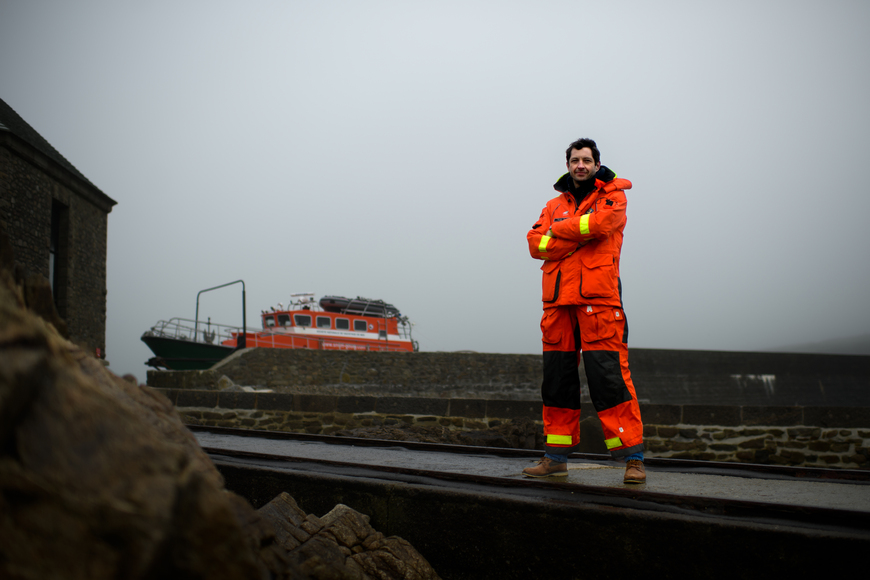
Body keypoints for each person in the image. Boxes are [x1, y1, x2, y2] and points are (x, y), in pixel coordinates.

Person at [524, 138, 645, 484]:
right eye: (575, 160)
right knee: (557, 384)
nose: (580, 165)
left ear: (596, 164)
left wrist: (559, 232)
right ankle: (555, 458)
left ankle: (633, 459)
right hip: (558, 306)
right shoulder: (552, 204)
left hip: (600, 304)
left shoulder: (613, 196)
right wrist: (578, 231)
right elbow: (535, 244)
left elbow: (602, 225)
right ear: (567, 165)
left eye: (586, 160)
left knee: (610, 380)